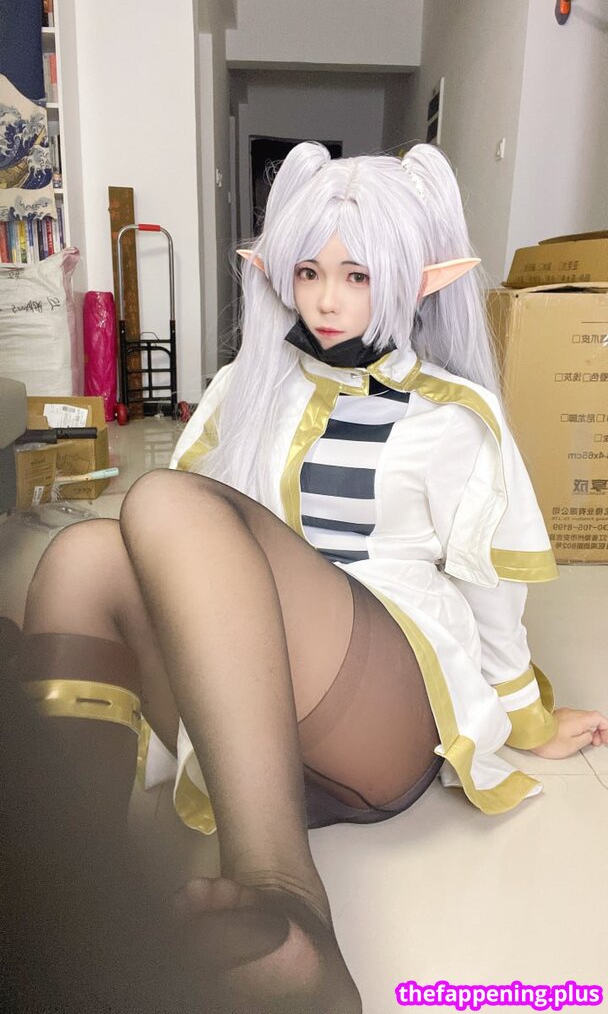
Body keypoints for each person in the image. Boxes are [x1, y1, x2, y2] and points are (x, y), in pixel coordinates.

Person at [6, 142, 608, 1014]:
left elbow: (491, 595)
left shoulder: (453, 417)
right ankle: (67, 901)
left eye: (358, 276)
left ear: (413, 281)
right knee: (82, 556)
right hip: (252, 722)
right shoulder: (244, 388)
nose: (328, 300)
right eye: (310, 272)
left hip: (378, 711)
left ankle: (289, 898)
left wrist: (529, 718)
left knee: (163, 501)